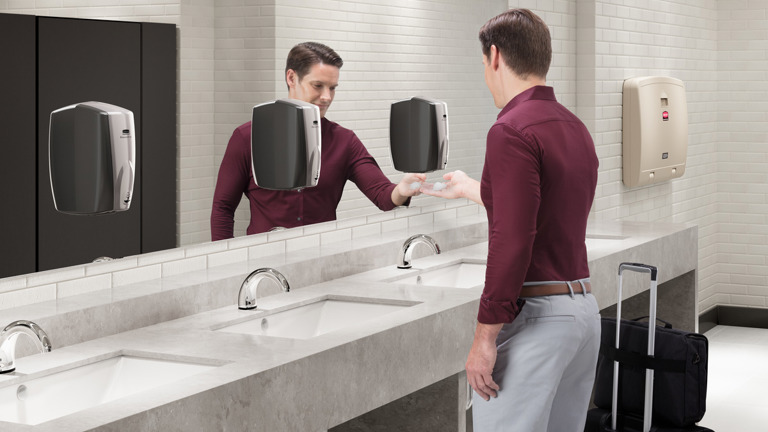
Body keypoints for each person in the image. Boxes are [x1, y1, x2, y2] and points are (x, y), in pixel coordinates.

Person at [421, 9, 600, 432]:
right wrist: (473, 188)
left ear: (495, 56)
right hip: (583, 314)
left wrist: (484, 338)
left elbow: (514, 238)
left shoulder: (509, 130)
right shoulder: (575, 128)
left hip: (538, 317)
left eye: (483, 63)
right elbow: (546, 208)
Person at [211, 42, 425, 240]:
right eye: (318, 85)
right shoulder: (246, 137)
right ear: (291, 78)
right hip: (263, 260)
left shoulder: (345, 141)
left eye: (332, 88)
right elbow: (223, 208)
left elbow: (382, 195)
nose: (327, 97)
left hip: (322, 257)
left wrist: (402, 189)